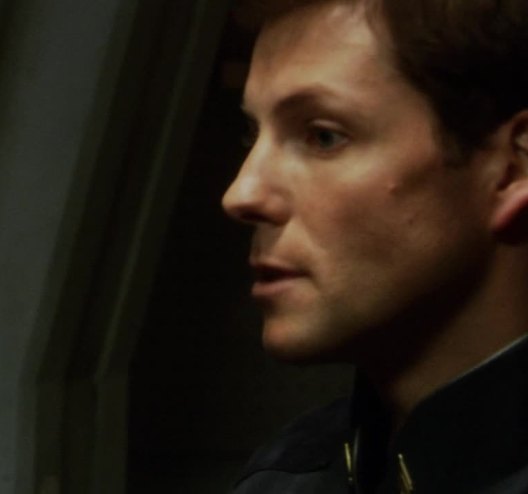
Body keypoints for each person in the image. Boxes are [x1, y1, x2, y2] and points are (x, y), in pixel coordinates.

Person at [221, 0, 528, 492]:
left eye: (323, 137)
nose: (241, 194)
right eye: (251, 135)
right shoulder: (283, 476)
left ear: (513, 169)